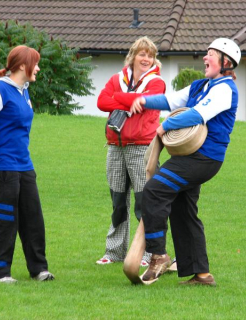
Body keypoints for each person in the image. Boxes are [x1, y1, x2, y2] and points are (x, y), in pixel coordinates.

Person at [130, 38, 241, 285]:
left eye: (211, 54)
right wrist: (145, 100)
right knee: (183, 211)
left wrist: (164, 126)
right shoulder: (201, 85)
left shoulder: (225, 88)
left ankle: (158, 255)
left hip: (203, 159)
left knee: (154, 192)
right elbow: (171, 101)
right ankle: (202, 275)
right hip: (191, 156)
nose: (205, 57)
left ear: (226, 62)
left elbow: (196, 115)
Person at [0, 45, 54, 283]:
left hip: (24, 165)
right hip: (3, 167)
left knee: (33, 218)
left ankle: (39, 269)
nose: (38, 68)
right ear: (21, 66)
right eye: (35, 64)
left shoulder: (23, 90)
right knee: (4, 219)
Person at [96, 36, 166, 266]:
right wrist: (128, 100)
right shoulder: (118, 78)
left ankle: (149, 253)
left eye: (150, 55)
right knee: (117, 201)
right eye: (142, 54)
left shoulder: (156, 82)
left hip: (142, 147)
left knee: (144, 202)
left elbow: (145, 101)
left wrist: (118, 98)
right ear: (133, 56)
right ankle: (114, 251)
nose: (146, 59)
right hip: (115, 145)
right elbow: (101, 102)